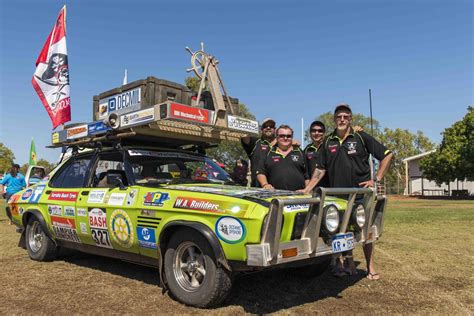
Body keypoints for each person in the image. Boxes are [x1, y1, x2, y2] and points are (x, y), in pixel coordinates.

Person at [303, 103, 393, 280]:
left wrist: (376, 179)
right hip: (337, 198)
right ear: (334, 119)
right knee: (341, 231)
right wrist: (307, 189)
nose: (342, 119)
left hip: (361, 195)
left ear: (350, 119)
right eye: (339, 117)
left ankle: (370, 266)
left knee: (365, 233)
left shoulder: (360, 136)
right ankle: (342, 263)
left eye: (345, 116)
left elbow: (387, 154)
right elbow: (320, 169)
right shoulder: (328, 141)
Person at [256, 125, 308, 191]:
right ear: (277, 137)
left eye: (288, 136)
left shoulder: (300, 152)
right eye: (282, 136)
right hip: (274, 196)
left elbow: (307, 176)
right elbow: (260, 173)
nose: (285, 138)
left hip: (298, 197)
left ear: (292, 137)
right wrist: (265, 184)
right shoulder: (268, 152)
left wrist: (307, 190)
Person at [241, 118, 276, 187]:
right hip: (257, 186)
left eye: (271, 126)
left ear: (275, 129)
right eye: (265, 126)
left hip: (277, 186)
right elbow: (244, 136)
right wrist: (242, 124)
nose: (268, 128)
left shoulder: (281, 144)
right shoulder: (255, 142)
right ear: (261, 129)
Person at [303, 120, 329, 188]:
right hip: (313, 189)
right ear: (310, 133)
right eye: (313, 131)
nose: (316, 133)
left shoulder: (328, 146)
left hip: (329, 189)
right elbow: (306, 173)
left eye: (320, 131)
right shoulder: (307, 150)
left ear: (324, 133)